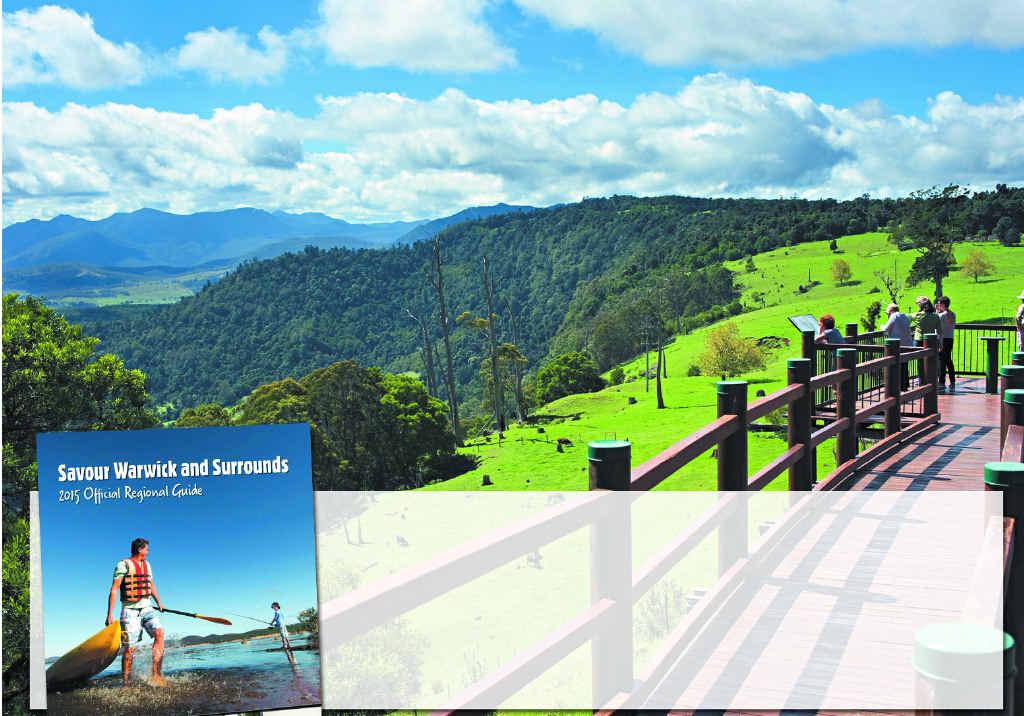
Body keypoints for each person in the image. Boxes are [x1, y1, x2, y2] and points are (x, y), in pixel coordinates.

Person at [106, 538, 166, 686]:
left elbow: (151, 584)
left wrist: (159, 602)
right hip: (129, 611)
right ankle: (125, 684)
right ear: (140, 549)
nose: (148, 551)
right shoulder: (123, 565)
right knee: (129, 648)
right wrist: (109, 614)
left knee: (159, 633)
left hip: (147, 608)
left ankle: (156, 675)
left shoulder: (147, 565)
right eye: (146, 549)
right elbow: (114, 588)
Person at [912, 296, 942, 390]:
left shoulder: (918, 315)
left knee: (920, 363)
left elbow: (905, 317)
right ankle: (931, 382)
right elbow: (940, 332)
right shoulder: (935, 316)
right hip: (931, 342)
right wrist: (940, 344)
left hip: (919, 341)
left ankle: (922, 383)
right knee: (931, 362)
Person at [881, 303, 912, 390]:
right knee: (904, 364)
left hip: (897, 344)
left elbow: (885, 328)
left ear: (891, 311)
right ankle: (905, 384)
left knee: (897, 365)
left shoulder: (894, 316)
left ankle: (898, 385)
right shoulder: (904, 316)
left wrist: (881, 326)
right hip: (907, 344)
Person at [935, 296, 956, 392]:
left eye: (939, 303)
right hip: (950, 338)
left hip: (942, 339)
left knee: (942, 361)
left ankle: (941, 382)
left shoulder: (941, 315)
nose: (938, 304)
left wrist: (940, 343)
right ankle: (952, 381)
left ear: (943, 304)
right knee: (948, 360)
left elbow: (938, 329)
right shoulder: (953, 314)